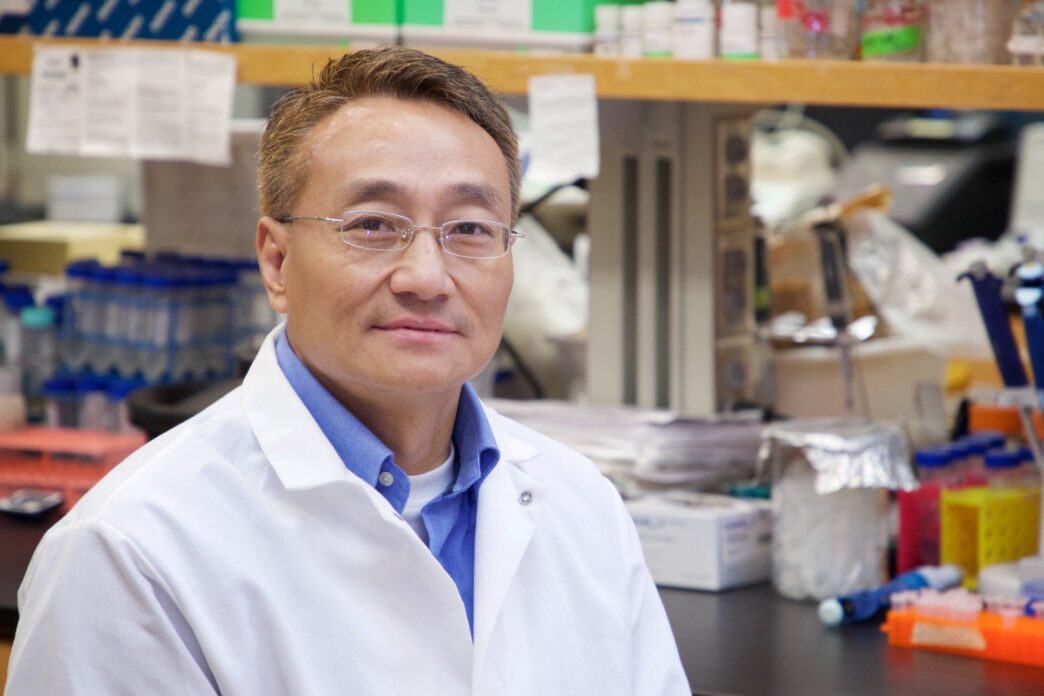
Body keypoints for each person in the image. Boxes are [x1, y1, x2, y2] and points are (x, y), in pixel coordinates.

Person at [6, 46, 689, 695]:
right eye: (372, 225)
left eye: (470, 229)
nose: (426, 276)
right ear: (277, 262)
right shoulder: (131, 553)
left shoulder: (582, 505)